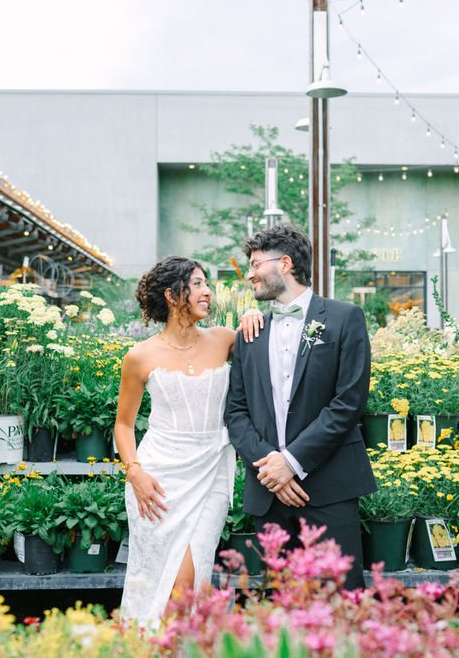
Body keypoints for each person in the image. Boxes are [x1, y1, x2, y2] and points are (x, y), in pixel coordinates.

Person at [224, 224, 377, 590]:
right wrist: (270, 469)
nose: (250, 274)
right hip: (269, 494)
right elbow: (236, 412)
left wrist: (290, 462)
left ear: (286, 264)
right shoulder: (251, 330)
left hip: (329, 488)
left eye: (257, 264)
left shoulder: (344, 318)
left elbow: (348, 403)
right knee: (280, 607)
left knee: (341, 602)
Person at [114, 256, 261, 626]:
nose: (207, 291)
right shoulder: (140, 356)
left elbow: (267, 349)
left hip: (212, 471)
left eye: (206, 284)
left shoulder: (226, 340)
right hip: (158, 479)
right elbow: (123, 425)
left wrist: (251, 317)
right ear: (172, 293)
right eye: (197, 284)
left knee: (188, 581)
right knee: (156, 581)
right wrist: (135, 474)